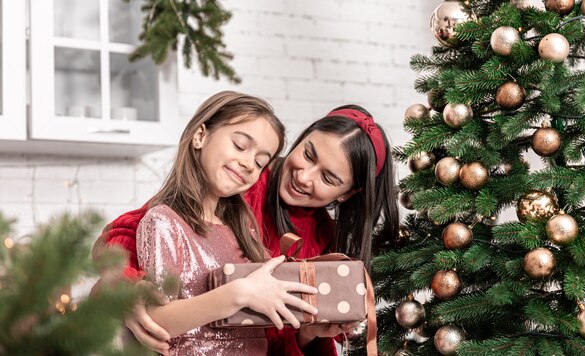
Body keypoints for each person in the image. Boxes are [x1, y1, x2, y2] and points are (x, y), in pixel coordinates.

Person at [93, 104, 399, 355]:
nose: (305, 177)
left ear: (347, 194)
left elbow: (273, 341)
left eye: (329, 179)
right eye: (307, 154)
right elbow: (123, 235)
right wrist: (129, 290)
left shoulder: (324, 245)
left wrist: (306, 334)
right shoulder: (239, 183)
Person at [108, 90, 320, 356]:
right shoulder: (164, 221)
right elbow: (157, 319)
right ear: (200, 135)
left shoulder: (245, 231)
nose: (247, 163)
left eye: (259, 162)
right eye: (240, 146)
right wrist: (237, 294)